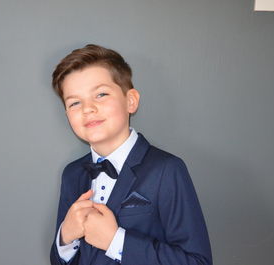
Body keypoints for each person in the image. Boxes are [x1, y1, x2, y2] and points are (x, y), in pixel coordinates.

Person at [49, 44, 212, 265]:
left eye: (101, 94)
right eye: (75, 102)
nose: (88, 108)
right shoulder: (72, 174)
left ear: (131, 101)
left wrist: (115, 241)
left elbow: (197, 261)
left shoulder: (167, 170)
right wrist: (65, 238)